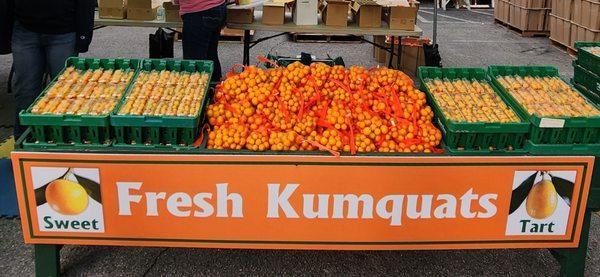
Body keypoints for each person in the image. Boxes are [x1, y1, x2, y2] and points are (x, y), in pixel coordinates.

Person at [10, 0, 95, 138]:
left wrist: (84, 35)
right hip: (25, 29)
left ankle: (64, 140)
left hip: (64, 31)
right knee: (26, 90)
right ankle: (24, 139)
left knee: (65, 91)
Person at [174, 0, 227, 82]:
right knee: (210, 54)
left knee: (194, 63)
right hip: (216, 7)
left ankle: (201, 91)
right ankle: (215, 90)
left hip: (198, 12)